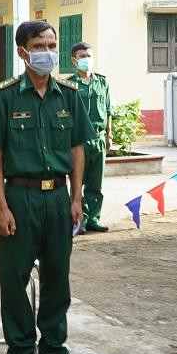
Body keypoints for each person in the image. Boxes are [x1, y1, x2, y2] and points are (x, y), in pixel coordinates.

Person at [0, 20, 90, 354]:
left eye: (52, 44)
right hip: (20, 197)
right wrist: (0, 206)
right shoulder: (6, 96)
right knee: (14, 279)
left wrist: (76, 198)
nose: (48, 52)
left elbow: (77, 149)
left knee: (58, 279)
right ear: (23, 51)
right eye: (39, 45)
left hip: (58, 198)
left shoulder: (69, 95)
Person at [68, 42, 113, 232]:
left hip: (99, 138)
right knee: (78, 182)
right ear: (74, 60)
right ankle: (80, 220)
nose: (87, 59)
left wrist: (109, 134)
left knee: (96, 183)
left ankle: (94, 217)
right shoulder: (69, 85)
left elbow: (108, 109)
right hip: (79, 141)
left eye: (89, 56)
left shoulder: (102, 82)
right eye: (83, 56)